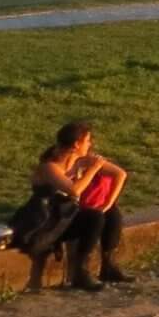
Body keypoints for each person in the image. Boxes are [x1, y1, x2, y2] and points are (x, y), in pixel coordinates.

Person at [24, 120, 129, 291]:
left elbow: (120, 174)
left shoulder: (80, 160)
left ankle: (107, 265)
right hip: (48, 221)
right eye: (87, 140)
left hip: (66, 214)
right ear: (76, 144)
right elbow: (74, 190)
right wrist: (93, 169)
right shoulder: (50, 167)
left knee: (111, 213)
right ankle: (80, 273)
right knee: (95, 217)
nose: (90, 144)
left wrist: (107, 203)